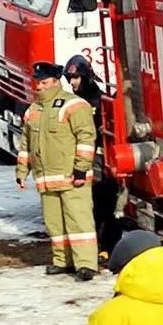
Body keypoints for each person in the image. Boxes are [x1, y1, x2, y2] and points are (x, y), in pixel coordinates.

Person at [19, 61, 98, 281]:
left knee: (79, 222)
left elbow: (86, 137)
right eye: (38, 83)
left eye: (44, 82)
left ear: (55, 81)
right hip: (46, 179)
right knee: (55, 224)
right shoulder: (33, 110)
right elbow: (26, 143)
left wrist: (81, 169)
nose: (40, 87)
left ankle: (86, 264)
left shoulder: (74, 105)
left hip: (72, 177)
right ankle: (62, 261)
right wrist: (21, 170)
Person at [64, 55, 124, 259]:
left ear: (86, 77)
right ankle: (91, 248)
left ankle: (107, 248)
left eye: (75, 78)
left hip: (100, 163)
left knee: (105, 207)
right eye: (69, 78)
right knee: (85, 210)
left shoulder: (100, 101)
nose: (71, 82)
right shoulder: (72, 102)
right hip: (81, 162)